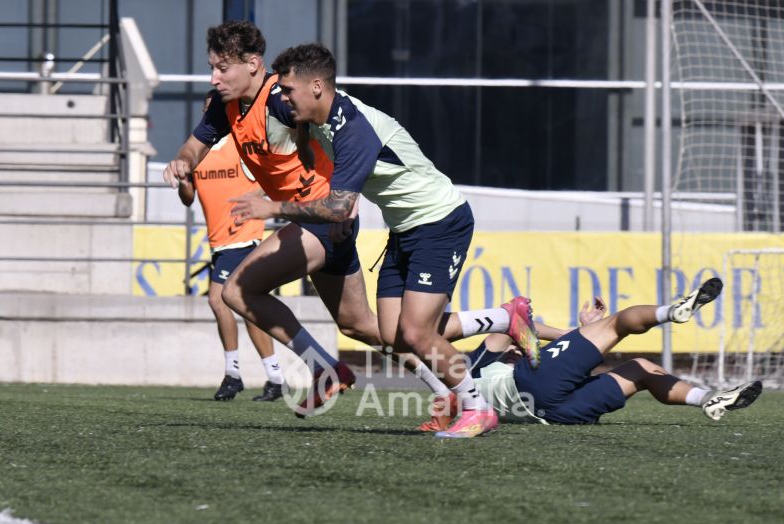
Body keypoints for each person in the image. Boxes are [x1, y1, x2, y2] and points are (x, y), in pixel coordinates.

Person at [163, 22, 530, 418]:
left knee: (237, 291)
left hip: (328, 214)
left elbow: (320, 134)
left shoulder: (287, 101)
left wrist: (284, 204)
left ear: (253, 65)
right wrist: (184, 161)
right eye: (212, 67)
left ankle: (330, 372)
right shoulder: (234, 103)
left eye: (222, 68)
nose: (214, 78)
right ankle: (490, 331)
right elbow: (197, 144)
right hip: (338, 216)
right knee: (369, 328)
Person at [425, 278, 763, 430]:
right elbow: (509, 325)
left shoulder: (468, 384)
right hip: (533, 385)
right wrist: (578, 331)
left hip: (558, 415)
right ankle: (671, 312)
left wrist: (579, 333)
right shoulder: (471, 366)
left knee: (642, 369)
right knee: (615, 324)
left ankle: (710, 400)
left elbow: (519, 332)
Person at [174, 90, 283, 402]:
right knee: (248, 309)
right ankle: (274, 377)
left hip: (244, 237)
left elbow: (272, 178)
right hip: (219, 242)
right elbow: (188, 198)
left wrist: (256, 200)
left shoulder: (241, 145)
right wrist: (183, 181)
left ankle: (233, 374)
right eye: (210, 109)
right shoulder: (197, 151)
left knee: (219, 300)